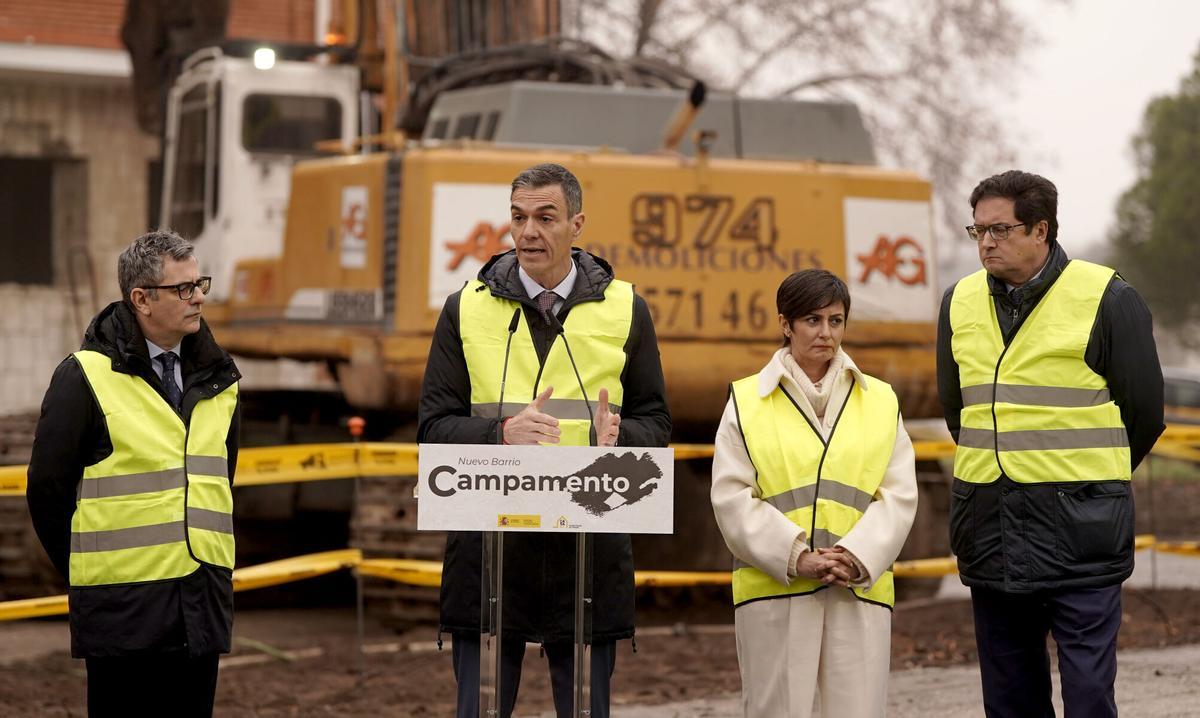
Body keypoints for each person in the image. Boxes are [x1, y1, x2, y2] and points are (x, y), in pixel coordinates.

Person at [417, 162, 671, 717]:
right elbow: (433, 429)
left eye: (545, 218)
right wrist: (501, 433)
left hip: (586, 556)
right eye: (518, 217)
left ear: (576, 224)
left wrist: (621, 436)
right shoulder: (465, 308)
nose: (528, 232)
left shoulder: (626, 309)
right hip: (491, 557)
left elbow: (656, 425)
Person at [937, 170, 1165, 718]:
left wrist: (1089, 479)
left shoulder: (1107, 298)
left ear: (1041, 229)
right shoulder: (957, 301)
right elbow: (959, 413)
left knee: (1088, 697)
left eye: (1000, 229)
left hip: (1082, 533)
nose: (986, 242)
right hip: (991, 530)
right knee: (1009, 701)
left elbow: (1144, 414)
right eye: (978, 230)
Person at [27, 230, 241, 717]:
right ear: (141, 299)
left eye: (200, 284)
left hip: (199, 605)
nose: (198, 297)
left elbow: (218, 480)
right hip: (121, 611)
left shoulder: (220, 379)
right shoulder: (84, 377)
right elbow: (47, 492)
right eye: (183, 288)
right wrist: (91, 572)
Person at [711, 268, 918, 718]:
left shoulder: (881, 401)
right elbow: (731, 498)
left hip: (856, 587)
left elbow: (899, 495)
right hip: (775, 588)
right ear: (785, 324)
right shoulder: (746, 402)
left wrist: (855, 556)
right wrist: (796, 556)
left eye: (836, 320)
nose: (826, 332)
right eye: (813, 320)